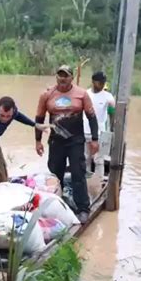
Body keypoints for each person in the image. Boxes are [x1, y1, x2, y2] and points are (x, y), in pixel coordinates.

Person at [34, 65, 100, 224]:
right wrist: (38, 141)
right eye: (60, 75)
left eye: (66, 76)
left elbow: (91, 117)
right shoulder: (47, 95)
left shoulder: (82, 94)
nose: (63, 79)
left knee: (78, 173)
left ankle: (83, 208)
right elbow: (39, 119)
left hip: (76, 141)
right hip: (56, 141)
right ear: (56, 77)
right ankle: (57, 207)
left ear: (71, 77)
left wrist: (95, 139)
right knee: (55, 174)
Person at [83, 72, 116, 180]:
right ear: (93, 82)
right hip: (84, 131)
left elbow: (112, 111)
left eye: (103, 82)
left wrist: (112, 130)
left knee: (98, 160)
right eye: (99, 82)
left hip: (100, 133)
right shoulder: (85, 94)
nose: (101, 84)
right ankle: (86, 182)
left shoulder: (108, 96)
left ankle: (98, 182)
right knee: (85, 158)